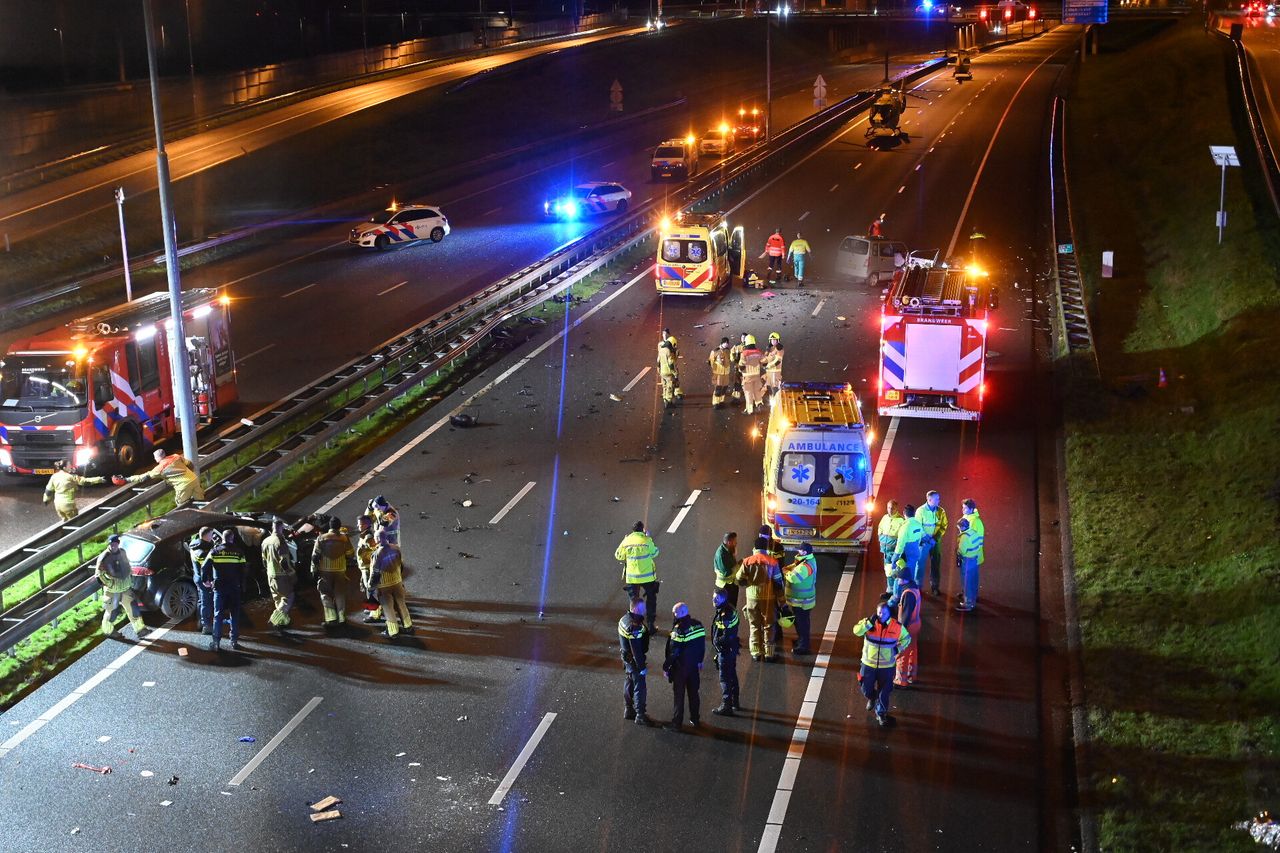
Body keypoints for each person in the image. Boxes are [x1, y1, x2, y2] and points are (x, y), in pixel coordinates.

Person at [853, 595, 911, 726]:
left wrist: (897, 650)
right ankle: (872, 697)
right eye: (879, 612)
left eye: (883, 613)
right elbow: (856, 631)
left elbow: (907, 639)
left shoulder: (897, 627)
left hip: (887, 666)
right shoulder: (868, 623)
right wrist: (868, 623)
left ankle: (881, 714)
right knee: (866, 689)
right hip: (868, 664)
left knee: (884, 692)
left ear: (889, 613)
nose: (880, 615)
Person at [663, 602, 706, 732]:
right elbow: (701, 646)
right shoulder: (698, 625)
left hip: (680, 668)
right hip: (693, 666)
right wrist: (700, 661)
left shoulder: (678, 630)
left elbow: (673, 652)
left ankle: (677, 723)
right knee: (694, 693)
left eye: (675, 613)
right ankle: (695, 719)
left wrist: (666, 667)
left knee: (679, 695)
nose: (673, 615)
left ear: (680, 613)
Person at [736, 536, 781, 661]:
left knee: (754, 624)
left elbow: (739, 578)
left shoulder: (747, 561)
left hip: (752, 598)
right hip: (768, 598)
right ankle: (769, 653)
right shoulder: (772, 562)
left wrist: (747, 584)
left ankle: (756, 652)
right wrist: (781, 600)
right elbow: (778, 581)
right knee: (768, 625)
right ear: (766, 548)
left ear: (755, 548)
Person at [96, 534, 146, 638]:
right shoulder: (104, 557)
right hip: (113, 590)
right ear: (109, 544)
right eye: (112, 544)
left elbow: (127, 565)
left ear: (118, 544)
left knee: (134, 609)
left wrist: (130, 577)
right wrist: (110, 583)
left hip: (126, 588)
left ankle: (140, 630)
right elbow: (99, 574)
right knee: (112, 613)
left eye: (115, 544)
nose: (114, 546)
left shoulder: (123, 552)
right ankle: (108, 632)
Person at [615, 522, 660, 636]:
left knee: (634, 601)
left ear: (633, 531)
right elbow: (655, 553)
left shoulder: (627, 541)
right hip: (647, 577)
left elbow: (618, 555)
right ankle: (650, 626)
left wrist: (624, 540)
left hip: (632, 578)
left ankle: (635, 625)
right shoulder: (646, 540)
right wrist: (648, 537)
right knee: (651, 600)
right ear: (642, 530)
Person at [115, 448, 205, 505]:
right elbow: (190, 464)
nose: (154, 459)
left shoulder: (160, 468)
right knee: (202, 503)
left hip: (183, 486)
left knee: (181, 505)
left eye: (155, 457)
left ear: (158, 458)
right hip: (194, 479)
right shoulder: (176, 456)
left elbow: (143, 477)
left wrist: (127, 479)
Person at [209, 527, 248, 652]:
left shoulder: (214, 551)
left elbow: (205, 566)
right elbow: (243, 570)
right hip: (234, 587)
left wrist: (207, 580)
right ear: (232, 538)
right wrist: (243, 585)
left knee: (218, 614)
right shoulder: (239, 552)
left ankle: (216, 642)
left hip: (219, 587)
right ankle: (234, 641)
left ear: (222, 538)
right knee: (234, 614)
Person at [311, 518, 354, 628]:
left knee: (325, 594)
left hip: (325, 571)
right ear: (339, 526)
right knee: (340, 594)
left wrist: (314, 570)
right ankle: (342, 618)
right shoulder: (345, 538)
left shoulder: (321, 538)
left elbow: (315, 556)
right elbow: (350, 554)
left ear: (329, 526)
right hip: (340, 571)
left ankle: (331, 619)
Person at [370, 529, 412, 638]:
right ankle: (408, 625)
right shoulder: (396, 548)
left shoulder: (377, 554)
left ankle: (393, 631)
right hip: (397, 582)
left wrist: (371, 586)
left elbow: (375, 573)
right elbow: (401, 565)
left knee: (388, 608)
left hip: (384, 586)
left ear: (378, 539)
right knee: (401, 604)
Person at [618, 599, 652, 726]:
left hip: (626, 658)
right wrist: (642, 667)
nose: (645, 609)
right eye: (643, 607)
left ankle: (628, 709)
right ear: (637, 609)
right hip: (634, 661)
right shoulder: (634, 626)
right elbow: (636, 649)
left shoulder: (623, 619)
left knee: (629, 682)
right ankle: (640, 715)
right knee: (640, 687)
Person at [260, 519, 297, 633]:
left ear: (272, 527)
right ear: (281, 528)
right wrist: (292, 574)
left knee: (278, 598)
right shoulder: (280, 541)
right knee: (288, 597)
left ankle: (283, 622)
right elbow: (284, 562)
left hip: (270, 574)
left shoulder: (265, 541)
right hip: (281, 575)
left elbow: (264, 560)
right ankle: (274, 619)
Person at [782, 542, 818, 656]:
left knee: (802, 623)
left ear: (805, 552)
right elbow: (795, 566)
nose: (798, 551)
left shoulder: (806, 565)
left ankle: (803, 646)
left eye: (800, 550)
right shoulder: (804, 561)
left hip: (803, 601)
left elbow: (794, 578)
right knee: (801, 622)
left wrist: (785, 572)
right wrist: (788, 568)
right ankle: (801, 641)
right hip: (801, 600)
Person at [710, 592, 741, 716]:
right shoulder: (729, 609)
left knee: (724, 678)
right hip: (731, 649)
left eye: (715, 597)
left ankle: (726, 705)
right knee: (732, 675)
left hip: (725, 650)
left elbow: (727, 635)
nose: (713, 599)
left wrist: (717, 641)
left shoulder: (724, 615)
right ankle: (735, 702)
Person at [894, 565, 922, 688]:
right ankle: (911, 675)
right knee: (912, 651)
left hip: (908, 627)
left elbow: (906, 614)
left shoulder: (908, 593)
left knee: (902, 653)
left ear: (904, 579)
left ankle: (901, 680)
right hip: (916, 624)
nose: (897, 580)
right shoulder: (914, 588)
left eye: (899, 578)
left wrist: (901, 630)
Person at [955, 498, 986, 612]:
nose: (962, 510)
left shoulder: (974, 522)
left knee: (969, 578)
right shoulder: (969, 518)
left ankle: (969, 599)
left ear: (971, 509)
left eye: (965, 508)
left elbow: (971, 541)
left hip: (971, 555)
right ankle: (970, 595)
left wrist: (960, 550)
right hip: (974, 555)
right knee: (971, 577)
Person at [187, 526, 218, 635]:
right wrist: (209, 580)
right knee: (206, 602)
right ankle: (207, 626)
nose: (213, 537)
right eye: (211, 534)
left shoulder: (194, 545)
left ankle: (201, 622)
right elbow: (206, 568)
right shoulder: (203, 551)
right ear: (207, 535)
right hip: (205, 580)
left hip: (197, 577)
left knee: (201, 601)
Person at [917, 490, 949, 595]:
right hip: (924, 542)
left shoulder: (941, 511)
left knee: (936, 564)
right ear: (929, 499)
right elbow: (918, 527)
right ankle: (918, 588)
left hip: (935, 542)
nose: (939, 500)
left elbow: (944, 525)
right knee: (920, 565)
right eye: (937, 499)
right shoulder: (920, 511)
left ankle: (935, 587)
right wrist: (927, 538)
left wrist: (935, 539)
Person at [355, 515, 383, 624]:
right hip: (365, 567)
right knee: (368, 588)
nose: (358, 525)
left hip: (368, 568)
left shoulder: (368, 537)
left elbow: (375, 549)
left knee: (371, 589)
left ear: (366, 525)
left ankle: (375, 614)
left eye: (360, 524)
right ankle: (374, 609)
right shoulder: (364, 535)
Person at [892, 504, 925, 590]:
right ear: (914, 513)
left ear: (904, 513)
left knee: (900, 574)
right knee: (911, 572)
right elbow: (920, 537)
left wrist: (895, 557)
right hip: (915, 551)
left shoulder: (905, 526)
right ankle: (911, 591)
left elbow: (900, 544)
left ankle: (897, 596)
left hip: (906, 554)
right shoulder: (918, 524)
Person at [876, 501, 905, 593]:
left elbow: (902, 537)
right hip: (886, 551)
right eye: (888, 507)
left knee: (895, 572)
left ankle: (897, 593)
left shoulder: (901, 520)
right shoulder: (885, 518)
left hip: (895, 552)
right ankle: (890, 591)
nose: (890, 510)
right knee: (888, 571)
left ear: (897, 508)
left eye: (892, 508)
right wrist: (881, 539)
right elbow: (880, 529)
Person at [739, 334, 765, 415]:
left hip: (747, 377)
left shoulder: (744, 353)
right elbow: (764, 362)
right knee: (757, 391)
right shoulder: (758, 352)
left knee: (748, 393)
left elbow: (741, 365)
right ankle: (759, 404)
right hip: (757, 376)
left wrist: (741, 371)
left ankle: (749, 410)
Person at [713, 532, 740, 606]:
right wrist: (739, 565)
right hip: (725, 587)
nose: (736, 543)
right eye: (735, 542)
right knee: (728, 607)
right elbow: (727, 573)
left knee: (732, 606)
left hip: (731, 584)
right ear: (729, 542)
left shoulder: (729, 550)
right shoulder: (722, 555)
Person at [708, 338, 733, 410]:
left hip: (726, 373)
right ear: (722, 343)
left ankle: (721, 401)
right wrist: (715, 367)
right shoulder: (715, 351)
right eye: (725, 343)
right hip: (718, 373)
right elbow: (710, 361)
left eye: (727, 343)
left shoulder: (728, 351)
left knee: (724, 388)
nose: (727, 344)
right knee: (718, 388)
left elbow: (731, 359)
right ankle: (716, 402)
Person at [657, 336, 679, 409]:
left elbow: (658, 361)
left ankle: (665, 398)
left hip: (662, 372)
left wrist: (659, 370)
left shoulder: (661, 350)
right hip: (668, 372)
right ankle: (669, 402)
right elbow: (671, 363)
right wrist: (675, 373)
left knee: (665, 385)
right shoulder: (668, 351)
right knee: (670, 386)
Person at [662, 329, 684, 401]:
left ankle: (671, 395)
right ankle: (669, 399)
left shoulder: (665, 345)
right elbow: (671, 361)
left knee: (667, 382)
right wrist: (675, 372)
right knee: (671, 382)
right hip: (669, 368)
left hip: (664, 368)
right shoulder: (666, 348)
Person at [764, 333, 784, 398]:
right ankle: (771, 402)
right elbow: (765, 358)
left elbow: (778, 361)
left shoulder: (779, 349)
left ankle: (776, 402)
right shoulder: (769, 348)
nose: (773, 341)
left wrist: (770, 365)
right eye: (772, 340)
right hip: (769, 372)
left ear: (778, 341)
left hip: (775, 372)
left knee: (775, 388)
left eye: (775, 340)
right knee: (768, 387)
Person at [729, 333, 747, 402]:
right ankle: (736, 399)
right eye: (742, 337)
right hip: (738, 367)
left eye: (745, 337)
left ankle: (750, 399)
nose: (743, 339)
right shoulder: (737, 346)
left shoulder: (749, 346)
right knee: (737, 383)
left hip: (747, 369)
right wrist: (733, 358)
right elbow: (731, 353)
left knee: (748, 383)